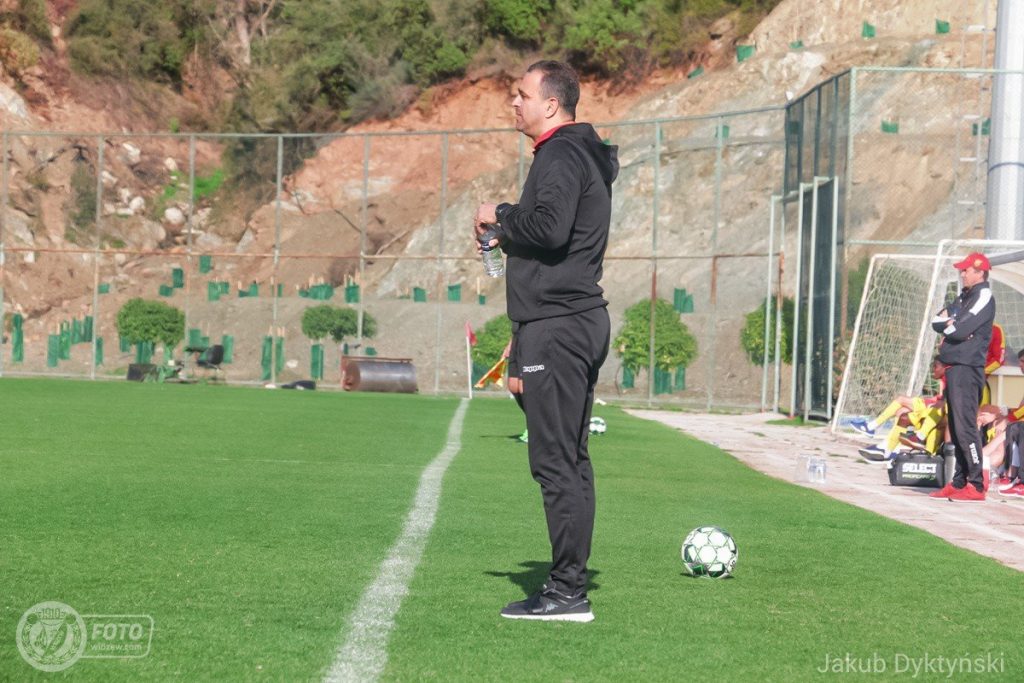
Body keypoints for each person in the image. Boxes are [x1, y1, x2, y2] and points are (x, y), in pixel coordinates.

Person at [475, 60, 618, 622]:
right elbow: (552, 240)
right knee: (570, 460)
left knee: (556, 463)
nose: (514, 103)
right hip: (562, 322)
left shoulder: (559, 154)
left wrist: (500, 214)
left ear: (551, 105)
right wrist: (521, 330)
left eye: (522, 94)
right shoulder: (575, 154)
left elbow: (551, 230)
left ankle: (566, 593)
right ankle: (567, 585)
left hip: (560, 325)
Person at [928, 252, 996, 502]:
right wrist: (952, 324)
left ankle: (976, 484)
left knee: (966, 426)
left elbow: (959, 330)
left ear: (980, 272)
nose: (962, 273)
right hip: (954, 368)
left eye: (966, 270)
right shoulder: (963, 297)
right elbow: (937, 321)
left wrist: (953, 325)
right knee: (956, 427)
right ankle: (959, 481)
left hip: (967, 369)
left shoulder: (983, 296)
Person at [851, 357, 946, 459]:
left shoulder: (950, 376)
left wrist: (933, 402)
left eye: (935, 366)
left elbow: (943, 400)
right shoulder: (945, 377)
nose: (932, 370)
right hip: (933, 404)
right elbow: (941, 397)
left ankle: (872, 428)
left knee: (901, 400)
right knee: (901, 411)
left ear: (944, 367)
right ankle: (887, 448)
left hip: (934, 407)